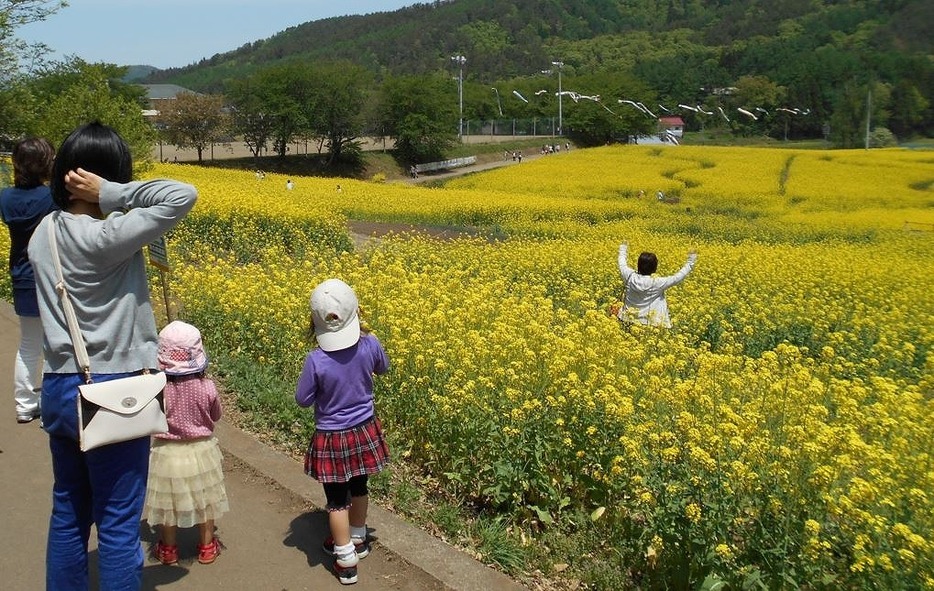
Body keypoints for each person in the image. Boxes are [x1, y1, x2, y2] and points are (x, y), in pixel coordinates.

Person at [27, 121, 198, 590]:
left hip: (61, 386)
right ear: (104, 176)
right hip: (114, 391)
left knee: (68, 512)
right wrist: (114, 193)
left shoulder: (44, 232)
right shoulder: (109, 236)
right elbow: (182, 194)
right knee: (119, 523)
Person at [295, 278, 390, 585]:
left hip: (332, 437)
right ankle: (359, 538)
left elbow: (302, 399)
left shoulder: (316, 360)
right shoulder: (370, 344)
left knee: (337, 499)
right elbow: (383, 368)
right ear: (355, 312)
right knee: (359, 486)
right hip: (364, 430)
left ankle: (345, 557)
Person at [144, 320, 229, 566]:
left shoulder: (157, 389)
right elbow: (216, 415)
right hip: (201, 451)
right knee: (206, 502)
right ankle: (207, 547)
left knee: (168, 505)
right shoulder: (207, 387)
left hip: (166, 452)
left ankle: (168, 549)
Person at [1, 137, 56, 424]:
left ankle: (24, 405)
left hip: (21, 276)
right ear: (45, 163)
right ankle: (50, 404)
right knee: (53, 346)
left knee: (29, 345)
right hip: (49, 278)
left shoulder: (5, 198)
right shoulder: (50, 197)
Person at [617, 242, 697, 328]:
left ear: (638, 265)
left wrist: (623, 248)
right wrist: (691, 261)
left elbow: (622, 264)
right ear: (655, 267)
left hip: (628, 320)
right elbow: (678, 277)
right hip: (651, 324)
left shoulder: (629, 276)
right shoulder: (658, 282)